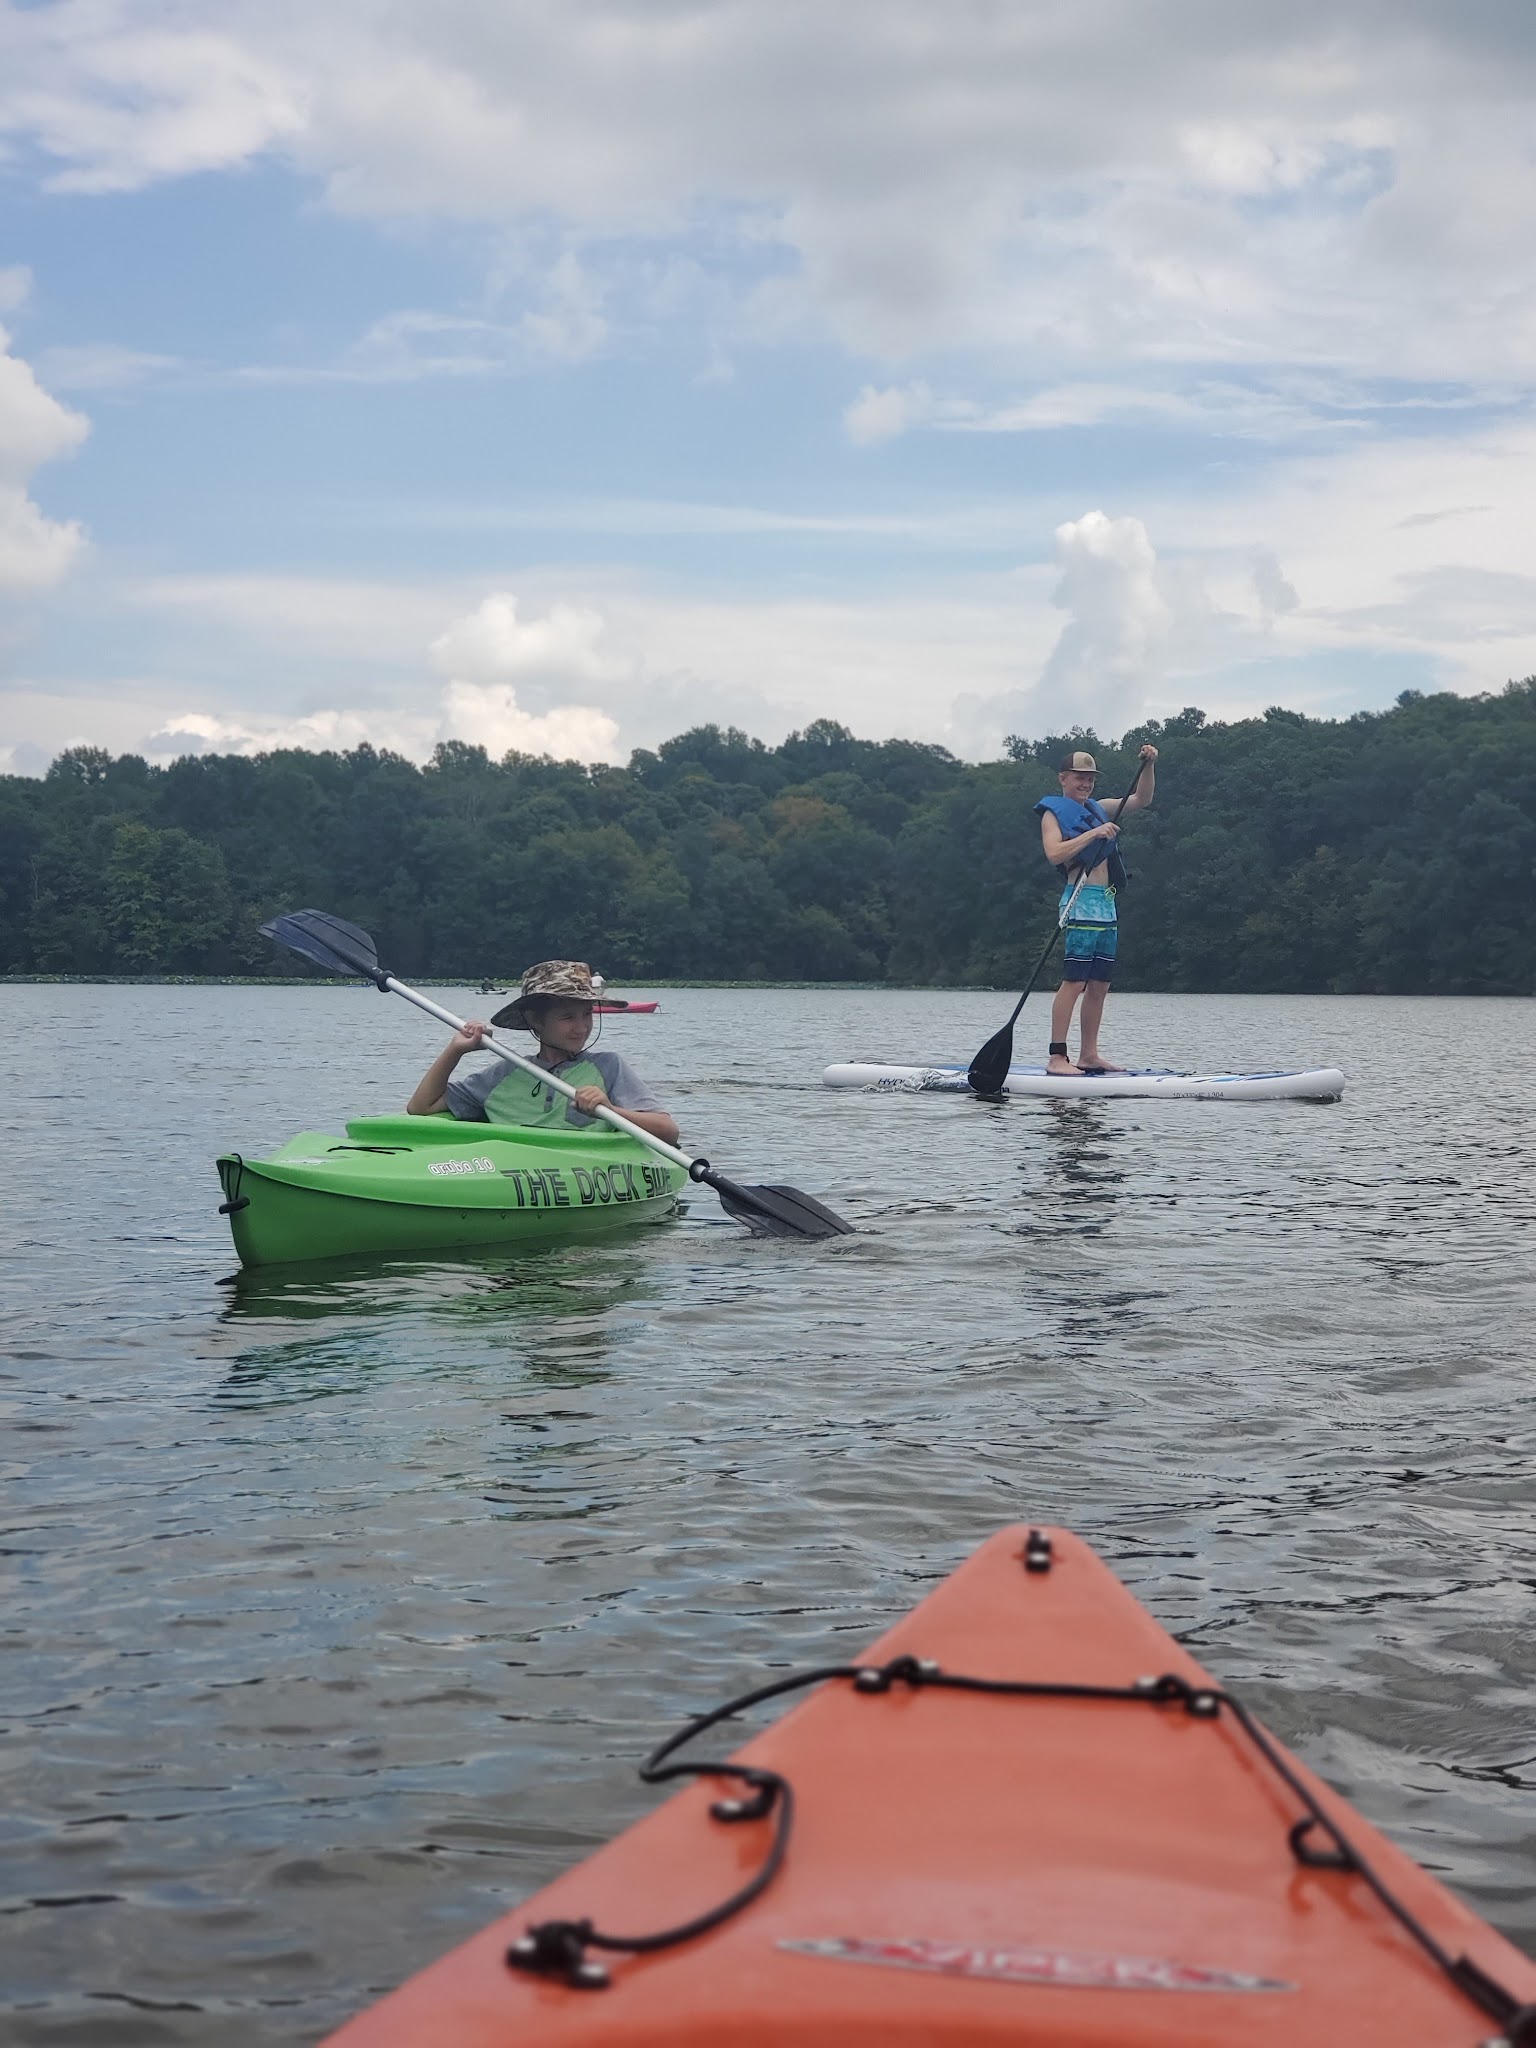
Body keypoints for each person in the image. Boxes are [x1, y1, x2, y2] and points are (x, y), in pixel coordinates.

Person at [407, 959, 680, 1145]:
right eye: (567, 1017)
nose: (581, 1027)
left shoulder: (608, 1066)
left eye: (587, 1014)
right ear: (535, 1020)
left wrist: (609, 1110)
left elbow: (668, 1132)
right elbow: (420, 1108)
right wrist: (455, 1050)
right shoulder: (504, 1073)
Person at [1033, 745, 1157, 1075]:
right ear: (1063, 779)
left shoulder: (1100, 808)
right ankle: (1057, 1057)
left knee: (1100, 984)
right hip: (1079, 900)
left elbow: (1141, 800)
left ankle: (1089, 1055)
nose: (1086, 784)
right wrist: (1093, 834)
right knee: (1075, 982)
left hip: (1106, 903)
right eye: (1079, 778)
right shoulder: (1053, 814)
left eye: (1090, 779)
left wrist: (1148, 766)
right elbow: (1055, 854)